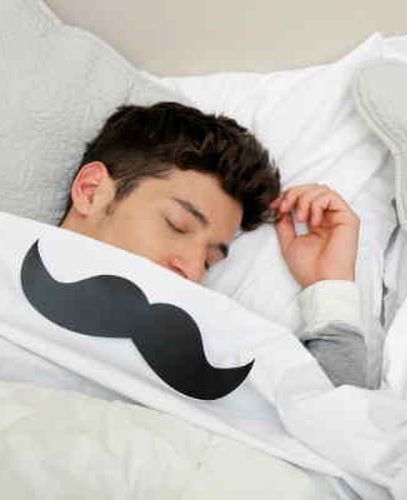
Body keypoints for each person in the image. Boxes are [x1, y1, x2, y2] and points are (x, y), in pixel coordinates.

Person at [59, 101, 367, 387]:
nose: (193, 271)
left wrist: (330, 286)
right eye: (177, 225)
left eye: (209, 261)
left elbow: (331, 418)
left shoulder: (197, 356)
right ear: (91, 190)